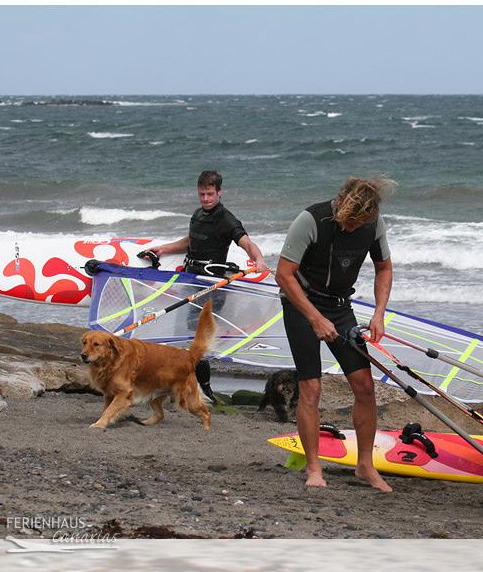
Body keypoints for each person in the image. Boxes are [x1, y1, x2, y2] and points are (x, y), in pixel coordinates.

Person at [275, 177, 396, 493]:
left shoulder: (373, 224)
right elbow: (283, 274)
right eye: (351, 220)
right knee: (311, 387)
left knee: (365, 386)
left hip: (341, 308)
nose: (355, 227)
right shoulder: (311, 220)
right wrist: (314, 317)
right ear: (341, 202)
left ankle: (365, 465)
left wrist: (379, 312)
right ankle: (314, 467)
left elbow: (384, 267)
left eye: (361, 222)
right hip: (301, 304)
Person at [150, 170, 269, 403]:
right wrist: (164, 248)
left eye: (210, 194)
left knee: (197, 339)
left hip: (211, 285)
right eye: (202, 194)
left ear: (219, 192)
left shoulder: (225, 218)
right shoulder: (197, 214)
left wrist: (259, 260)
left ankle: (205, 390)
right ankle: (184, 385)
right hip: (190, 280)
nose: (206, 199)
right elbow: (190, 241)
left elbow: (246, 242)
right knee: (182, 336)